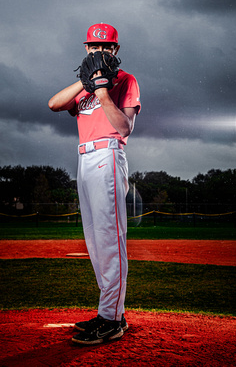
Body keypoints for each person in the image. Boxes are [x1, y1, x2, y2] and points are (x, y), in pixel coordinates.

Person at [48, 23, 141, 345]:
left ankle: (112, 320)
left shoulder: (126, 80)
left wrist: (102, 91)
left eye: (105, 47)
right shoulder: (84, 84)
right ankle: (109, 312)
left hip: (108, 155)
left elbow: (124, 128)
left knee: (108, 240)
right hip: (84, 159)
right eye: (92, 46)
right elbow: (54, 104)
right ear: (86, 48)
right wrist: (86, 82)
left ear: (115, 50)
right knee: (95, 241)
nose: (98, 51)